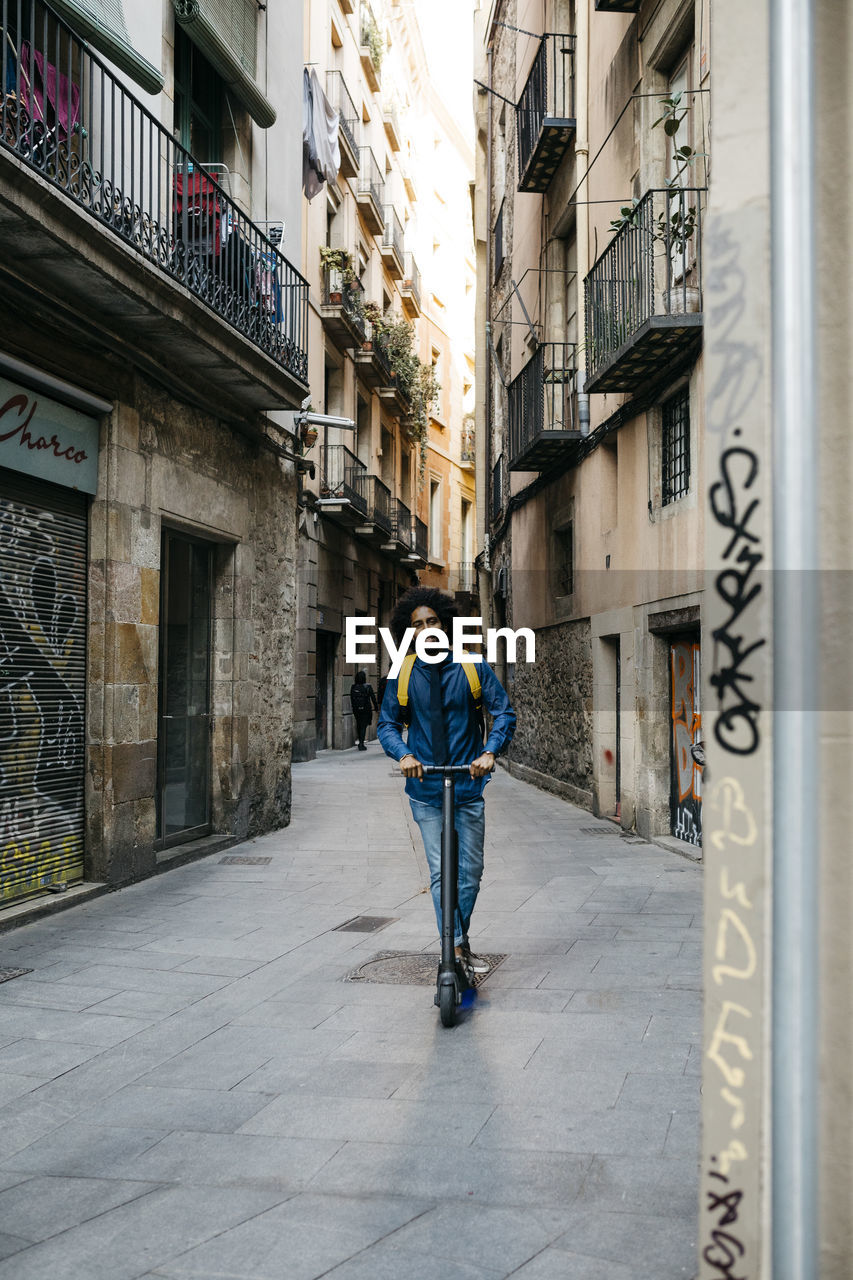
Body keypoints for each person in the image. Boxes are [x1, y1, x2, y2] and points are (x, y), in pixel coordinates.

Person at [377, 586, 516, 980]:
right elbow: (387, 723)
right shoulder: (403, 673)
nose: (425, 630)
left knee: (470, 872)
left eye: (432, 621)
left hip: (468, 786)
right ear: (409, 631)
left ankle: (460, 940)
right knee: (441, 874)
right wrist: (403, 755)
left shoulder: (472, 667)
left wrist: (490, 751)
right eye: (417, 624)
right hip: (426, 790)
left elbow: (503, 712)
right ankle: (452, 950)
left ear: (445, 624)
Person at [349, 670, 379, 750]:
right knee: (363, 726)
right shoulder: (368, 686)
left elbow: (351, 698)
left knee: (359, 725)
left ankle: (360, 741)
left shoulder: (353, 687)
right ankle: (361, 743)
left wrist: (354, 708)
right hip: (366, 709)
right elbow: (373, 698)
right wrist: (376, 707)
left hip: (356, 710)